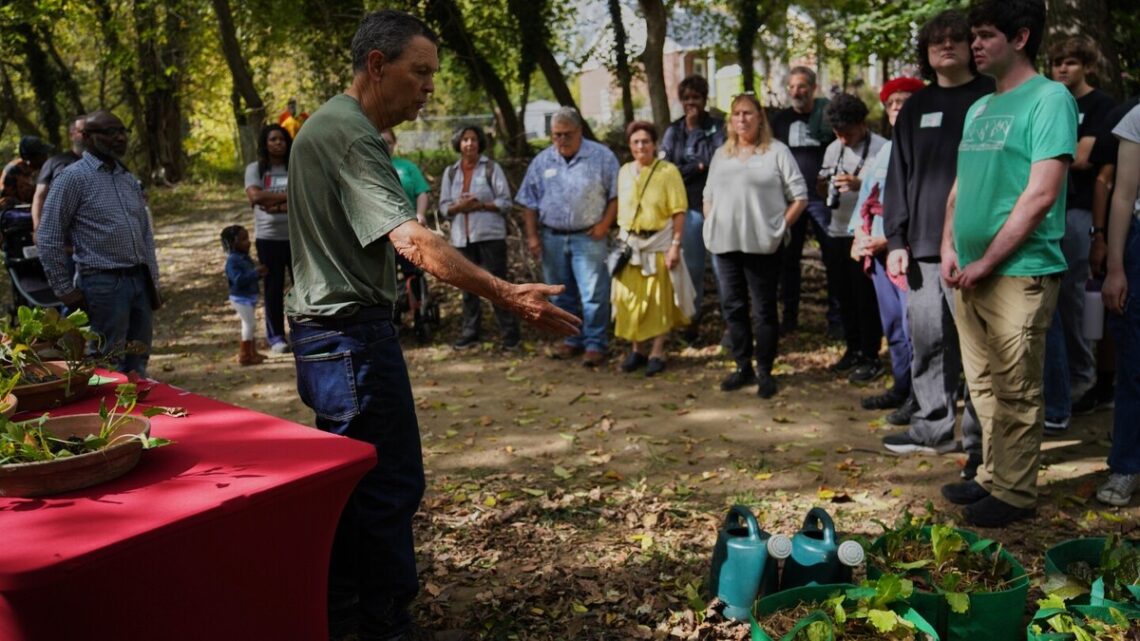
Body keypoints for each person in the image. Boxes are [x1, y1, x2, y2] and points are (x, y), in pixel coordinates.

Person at [284, 11, 578, 641]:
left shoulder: (330, 126)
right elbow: (414, 242)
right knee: (387, 486)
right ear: (376, 65)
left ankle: (342, 615)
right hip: (349, 338)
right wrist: (507, 295)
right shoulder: (349, 133)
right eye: (419, 73)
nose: (428, 89)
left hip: (329, 336)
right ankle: (383, 624)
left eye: (432, 76)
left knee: (354, 486)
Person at [938, 0, 1077, 528]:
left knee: (1017, 387)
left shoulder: (1050, 99)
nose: (973, 44)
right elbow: (959, 190)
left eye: (984, 35)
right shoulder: (979, 107)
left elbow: (1041, 194)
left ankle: (1015, 494)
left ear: (1020, 38)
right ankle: (992, 478)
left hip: (1020, 270)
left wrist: (990, 260)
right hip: (968, 272)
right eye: (972, 35)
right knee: (984, 388)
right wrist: (950, 248)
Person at [882, 9, 993, 467]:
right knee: (928, 342)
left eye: (955, 39)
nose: (946, 47)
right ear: (927, 54)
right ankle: (933, 427)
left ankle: (980, 440)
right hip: (923, 249)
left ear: (972, 46)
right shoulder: (916, 107)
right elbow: (897, 176)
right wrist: (895, 241)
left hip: (979, 247)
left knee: (979, 351)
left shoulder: (993, 97)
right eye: (936, 42)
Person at [37, 111, 162, 376]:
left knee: (138, 357)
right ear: (86, 137)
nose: (119, 137)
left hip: (138, 280)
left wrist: (152, 279)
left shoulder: (127, 179)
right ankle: (106, 417)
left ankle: (137, 415)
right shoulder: (72, 178)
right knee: (106, 362)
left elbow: (145, 233)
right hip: (103, 284)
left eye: (122, 131)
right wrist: (63, 289)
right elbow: (48, 236)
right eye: (109, 132)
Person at [704, 93, 808, 398]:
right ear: (730, 120)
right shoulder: (721, 155)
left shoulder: (776, 152)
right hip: (725, 244)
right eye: (736, 114)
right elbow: (708, 193)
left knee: (763, 310)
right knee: (733, 307)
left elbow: (800, 196)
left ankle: (764, 369)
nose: (741, 119)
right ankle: (742, 366)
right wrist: (712, 220)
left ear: (759, 116)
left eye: (747, 113)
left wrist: (780, 228)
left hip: (762, 245)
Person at [1040, 37, 1118, 432]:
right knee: (1055, 300)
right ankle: (1066, 380)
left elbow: (1083, 157)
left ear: (1085, 64)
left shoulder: (1102, 106)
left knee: (1077, 298)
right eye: (1056, 63)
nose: (1062, 70)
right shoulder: (1051, 102)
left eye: (1069, 62)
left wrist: (1045, 155)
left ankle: (1085, 380)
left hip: (1082, 213)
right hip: (1049, 212)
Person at [517, 106, 619, 367]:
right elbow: (528, 202)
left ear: (579, 131)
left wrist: (605, 225)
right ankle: (571, 340)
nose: (560, 140)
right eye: (555, 135)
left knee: (594, 293)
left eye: (566, 134)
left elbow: (616, 195)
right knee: (561, 295)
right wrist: (532, 237)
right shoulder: (542, 161)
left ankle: (595, 343)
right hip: (552, 237)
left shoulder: (602, 157)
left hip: (589, 236)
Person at [848, 77, 925, 413]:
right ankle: (901, 385)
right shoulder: (885, 152)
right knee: (893, 324)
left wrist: (892, 239)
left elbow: (927, 205)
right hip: (878, 253)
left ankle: (922, 397)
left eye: (905, 101)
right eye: (892, 103)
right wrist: (857, 238)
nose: (898, 108)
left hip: (908, 253)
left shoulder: (927, 149)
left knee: (915, 327)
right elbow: (867, 196)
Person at [612, 121, 692, 376]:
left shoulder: (668, 171)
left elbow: (679, 211)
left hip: (658, 242)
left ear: (654, 143)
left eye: (645, 141)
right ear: (629, 145)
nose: (640, 146)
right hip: (630, 245)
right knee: (631, 300)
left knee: (658, 301)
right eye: (635, 141)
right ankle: (637, 350)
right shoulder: (624, 171)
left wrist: (675, 245)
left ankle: (657, 351)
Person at [818, 94, 887, 382]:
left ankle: (871, 355)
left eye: (848, 133)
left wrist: (860, 184)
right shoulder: (834, 149)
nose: (843, 139)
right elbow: (821, 190)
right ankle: (852, 349)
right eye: (837, 133)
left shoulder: (882, 149)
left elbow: (888, 191)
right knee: (842, 295)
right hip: (837, 229)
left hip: (866, 235)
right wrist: (825, 185)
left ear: (862, 124)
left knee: (865, 298)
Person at [770, 66, 841, 337]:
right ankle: (789, 318)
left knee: (833, 258)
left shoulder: (827, 116)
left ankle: (837, 319)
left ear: (812, 88)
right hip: (791, 200)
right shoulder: (781, 120)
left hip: (822, 199)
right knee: (789, 260)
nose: (796, 92)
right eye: (792, 87)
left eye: (801, 86)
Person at [438, 125, 520, 350]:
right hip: (461, 238)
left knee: (496, 285)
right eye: (465, 139)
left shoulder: (492, 168)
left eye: (473, 139)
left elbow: (506, 202)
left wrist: (481, 205)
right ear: (459, 143)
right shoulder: (451, 172)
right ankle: (471, 332)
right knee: (468, 288)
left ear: (480, 143)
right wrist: (459, 206)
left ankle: (510, 335)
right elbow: (444, 207)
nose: (469, 144)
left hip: (490, 236)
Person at [659, 74, 725, 343]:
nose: (691, 103)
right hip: (686, 210)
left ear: (704, 99)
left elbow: (717, 161)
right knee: (693, 269)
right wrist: (697, 166)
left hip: (716, 206)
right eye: (686, 98)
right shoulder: (673, 131)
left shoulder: (717, 128)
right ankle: (692, 322)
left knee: (723, 271)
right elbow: (667, 172)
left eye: (696, 98)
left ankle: (731, 325)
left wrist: (697, 166)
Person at [1097, 103, 1140, 506]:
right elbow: (1123, 195)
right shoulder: (1137, 117)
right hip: (1138, 251)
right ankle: (1126, 465)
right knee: (1135, 364)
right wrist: (1116, 268)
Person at [245, 123, 293, 354]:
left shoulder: (295, 166)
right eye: (273, 139)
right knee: (273, 287)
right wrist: (288, 198)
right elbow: (255, 196)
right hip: (268, 237)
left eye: (282, 139)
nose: (278, 143)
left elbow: (305, 195)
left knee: (301, 287)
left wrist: (271, 202)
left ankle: (301, 332)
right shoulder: (255, 169)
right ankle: (276, 338)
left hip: (297, 237)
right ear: (265, 143)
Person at [220, 224, 268, 365]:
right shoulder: (233, 261)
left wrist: (259, 274)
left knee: (251, 325)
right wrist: (256, 273)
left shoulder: (244, 257)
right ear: (233, 243)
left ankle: (252, 352)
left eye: (247, 238)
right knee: (249, 324)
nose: (248, 242)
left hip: (249, 297)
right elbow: (238, 280)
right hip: (241, 298)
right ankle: (245, 354)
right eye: (243, 239)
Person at [32, 115, 85, 231]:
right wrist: (38, 228)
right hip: (60, 231)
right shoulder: (54, 163)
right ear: (72, 135)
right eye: (83, 131)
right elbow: (40, 196)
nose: (88, 135)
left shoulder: (107, 164)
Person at [380, 128, 430, 225]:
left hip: (408, 222)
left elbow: (421, 192)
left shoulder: (407, 166)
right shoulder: (368, 166)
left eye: (389, 142)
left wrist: (420, 214)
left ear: (394, 144)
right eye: (381, 142)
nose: (385, 146)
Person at [1, 136, 53, 211]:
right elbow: (4, 200)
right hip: (20, 215)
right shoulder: (13, 170)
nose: (46, 157)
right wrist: (27, 206)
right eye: (42, 154)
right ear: (30, 158)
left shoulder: (45, 169)